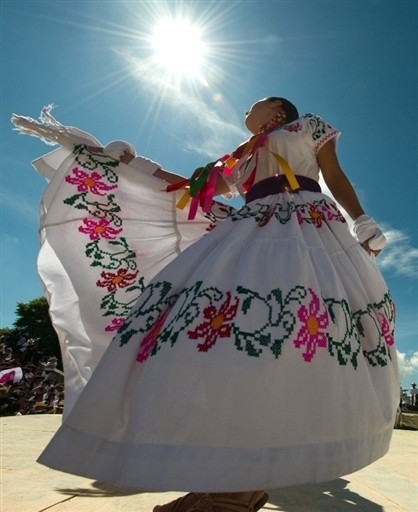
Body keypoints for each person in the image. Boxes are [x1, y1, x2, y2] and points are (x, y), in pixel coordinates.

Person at [31, 97, 397, 512]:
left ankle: (237, 488)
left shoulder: (307, 126)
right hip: (250, 229)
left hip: (304, 227)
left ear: (277, 109)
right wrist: (132, 164)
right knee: (213, 343)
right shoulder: (241, 158)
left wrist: (362, 219)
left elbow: (332, 171)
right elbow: (192, 189)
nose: (247, 107)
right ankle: (227, 478)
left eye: (256, 103)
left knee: (281, 339)